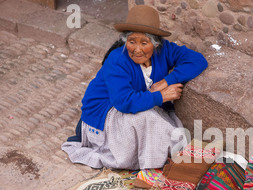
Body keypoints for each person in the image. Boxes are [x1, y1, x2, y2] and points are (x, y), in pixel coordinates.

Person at [62, 5, 208, 170]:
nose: (137, 50)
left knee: (165, 118)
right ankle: (176, 158)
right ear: (126, 41)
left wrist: (168, 80)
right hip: (103, 117)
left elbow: (197, 61)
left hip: (134, 104)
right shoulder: (117, 59)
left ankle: (176, 153)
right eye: (132, 42)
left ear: (155, 43)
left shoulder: (164, 50)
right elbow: (123, 102)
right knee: (147, 118)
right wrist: (162, 96)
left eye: (144, 43)